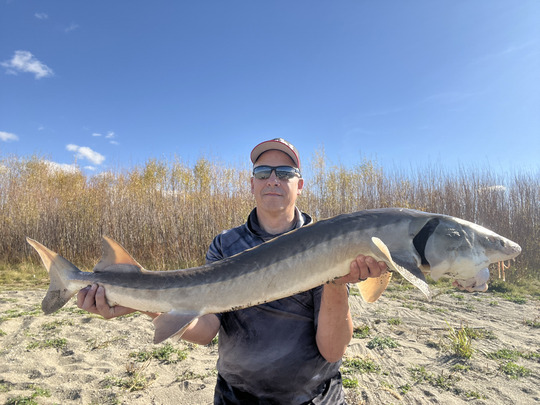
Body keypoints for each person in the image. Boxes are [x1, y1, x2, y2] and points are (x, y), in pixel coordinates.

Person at [77, 138, 387, 404]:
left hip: (314, 396)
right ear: (251, 183)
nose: (273, 180)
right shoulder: (226, 243)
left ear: (300, 184)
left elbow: (332, 351)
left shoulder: (329, 240)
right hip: (235, 395)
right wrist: (140, 303)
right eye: (263, 172)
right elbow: (206, 329)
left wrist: (336, 282)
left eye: (285, 172)